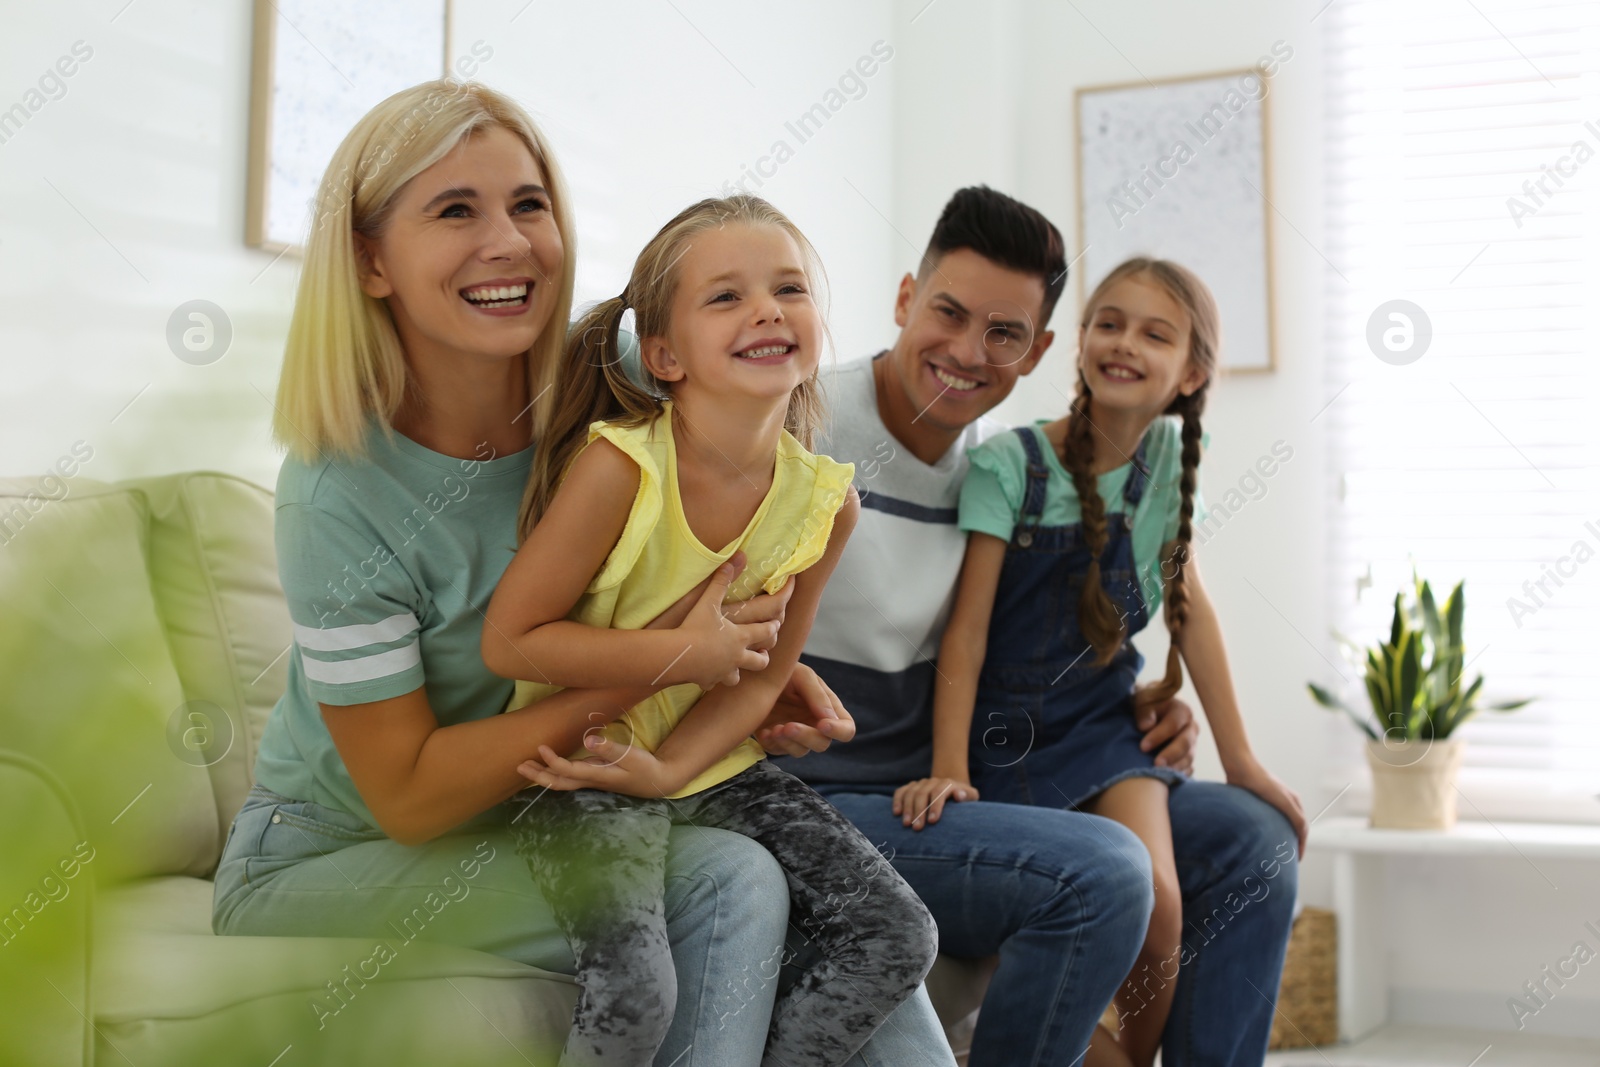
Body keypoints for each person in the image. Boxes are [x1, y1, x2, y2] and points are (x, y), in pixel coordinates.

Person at [211, 80, 956, 1067]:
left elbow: (717, 527)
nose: (508, 241)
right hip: (337, 850)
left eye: (528, 203)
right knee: (730, 879)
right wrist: (675, 662)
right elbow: (410, 796)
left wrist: (752, 659)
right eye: (454, 210)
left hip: (553, 793)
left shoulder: (599, 387)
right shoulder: (337, 492)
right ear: (370, 259)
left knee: (884, 945)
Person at [765, 186, 1302, 1066]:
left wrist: (1160, 703)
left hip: (995, 768)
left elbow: (1114, 610)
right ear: (905, 299)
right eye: (947, 313)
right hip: (833, 795)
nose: (969, 352)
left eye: (1003, 333)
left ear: (1037, 350)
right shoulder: (797, 418)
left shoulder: (984, 467)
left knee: (1254, 838)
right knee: (1111, 870)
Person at [482, 194, 938, 1067]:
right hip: (582, 761)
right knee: (639, 989)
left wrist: (672, 770)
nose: (767, 309)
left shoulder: (826, 501)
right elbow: (511, 641)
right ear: (665, 354)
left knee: (896, 933)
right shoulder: (620, 467)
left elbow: (766, 679)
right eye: (725, 297)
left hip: (706, 761)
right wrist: (685, 657)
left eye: (789, 288)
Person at [897, 256, 1307, 1066]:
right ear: (1080, 340)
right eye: (1109, 323)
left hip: (1104, 732)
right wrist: (949, 765)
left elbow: (1195, 616)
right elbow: (966, 634)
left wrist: (1245, 761)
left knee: (1161, 909)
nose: (1124, 343)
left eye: (1155, 333)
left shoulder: (1164, 468)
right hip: (1005, 740)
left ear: (1189, 372)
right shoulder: (1009, 465)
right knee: (1118, 899)